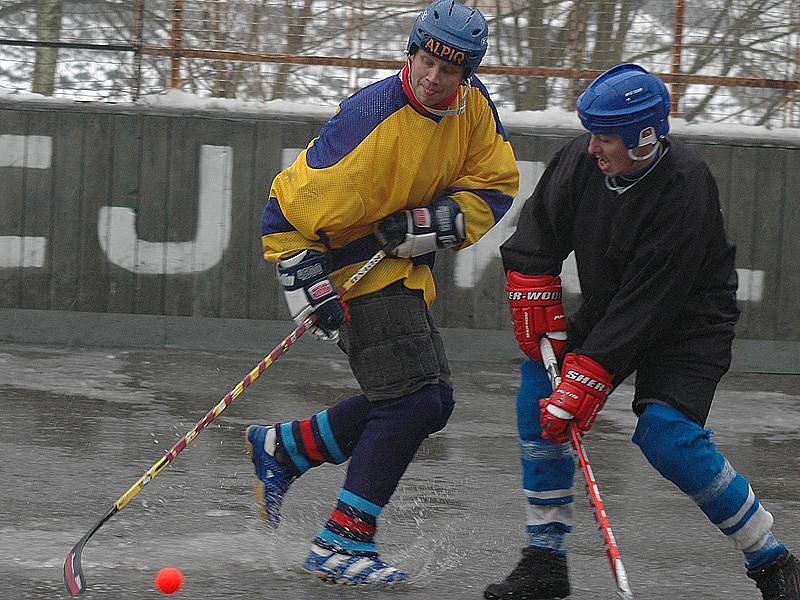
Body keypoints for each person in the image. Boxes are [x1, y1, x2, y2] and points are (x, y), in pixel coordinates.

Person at [484, 63, 799, 600]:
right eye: (592, 135)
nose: (593, 149)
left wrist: (589, 377)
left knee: (667, 439)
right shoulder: (583, 162)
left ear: (645, 139)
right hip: (615, 309)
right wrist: (533, 285)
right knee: (539, 393)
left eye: (605, 139)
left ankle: (772, 560)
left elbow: (651, 302)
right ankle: (545, 559)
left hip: (688, 324)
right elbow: (538, 229)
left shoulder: (686, 185)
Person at [246, 0, 519, 587]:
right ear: (412, 51)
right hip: (345, 269)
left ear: (468, 74)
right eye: (426, 61)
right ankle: (341, 541)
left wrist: (435, 222)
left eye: (451, 71)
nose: (433, 78)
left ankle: (288, 449)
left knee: (431, 402)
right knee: (413, 400)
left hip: (393, 267)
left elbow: (493, 187)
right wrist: (304, 279)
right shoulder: (370, 120)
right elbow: (282, 211)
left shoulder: (472, 111)